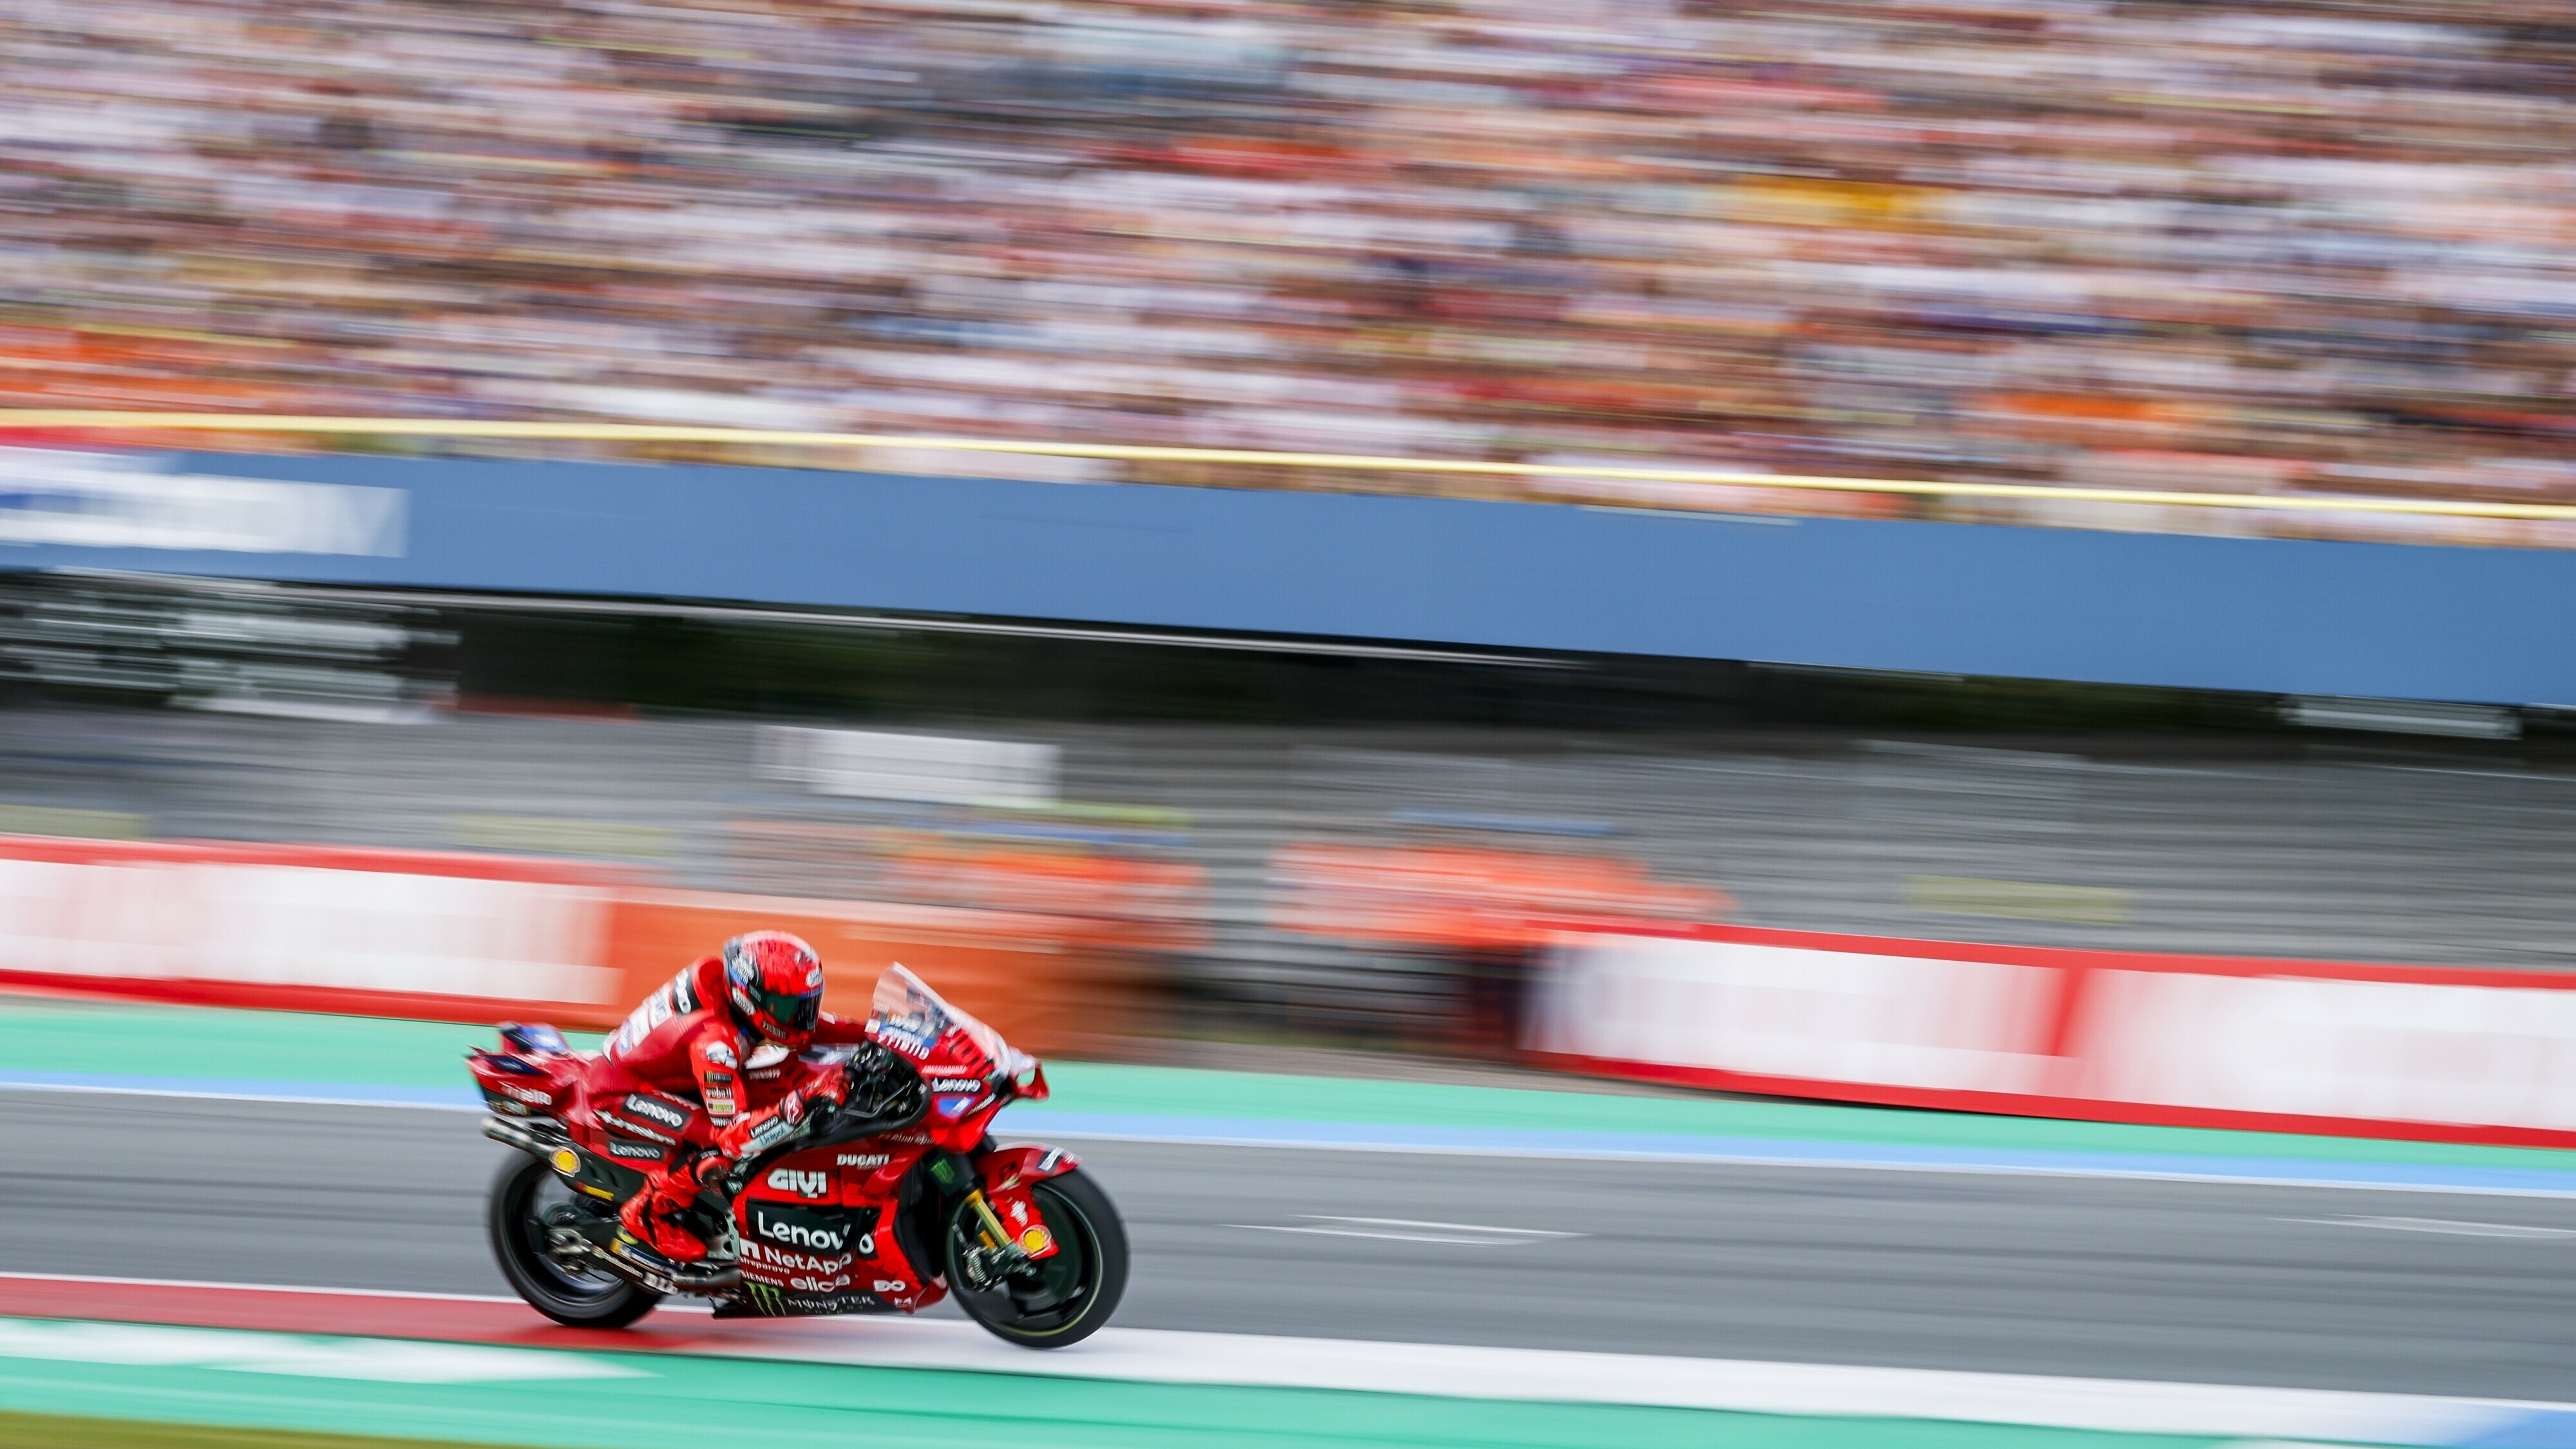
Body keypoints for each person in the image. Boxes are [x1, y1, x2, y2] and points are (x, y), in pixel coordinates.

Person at [597, 931, 873, 1265]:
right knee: (721, 1153)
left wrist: (887, 1032)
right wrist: (805, 1098)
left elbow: (825, 1028)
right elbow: (733, 1136)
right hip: (621, 1090)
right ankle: (647, 1214)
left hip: (668, 1072)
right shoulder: (716, 1045)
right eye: (788, 1007)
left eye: (807, 1003)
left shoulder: (735, 996)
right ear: (749, 997)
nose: (802, 1016)